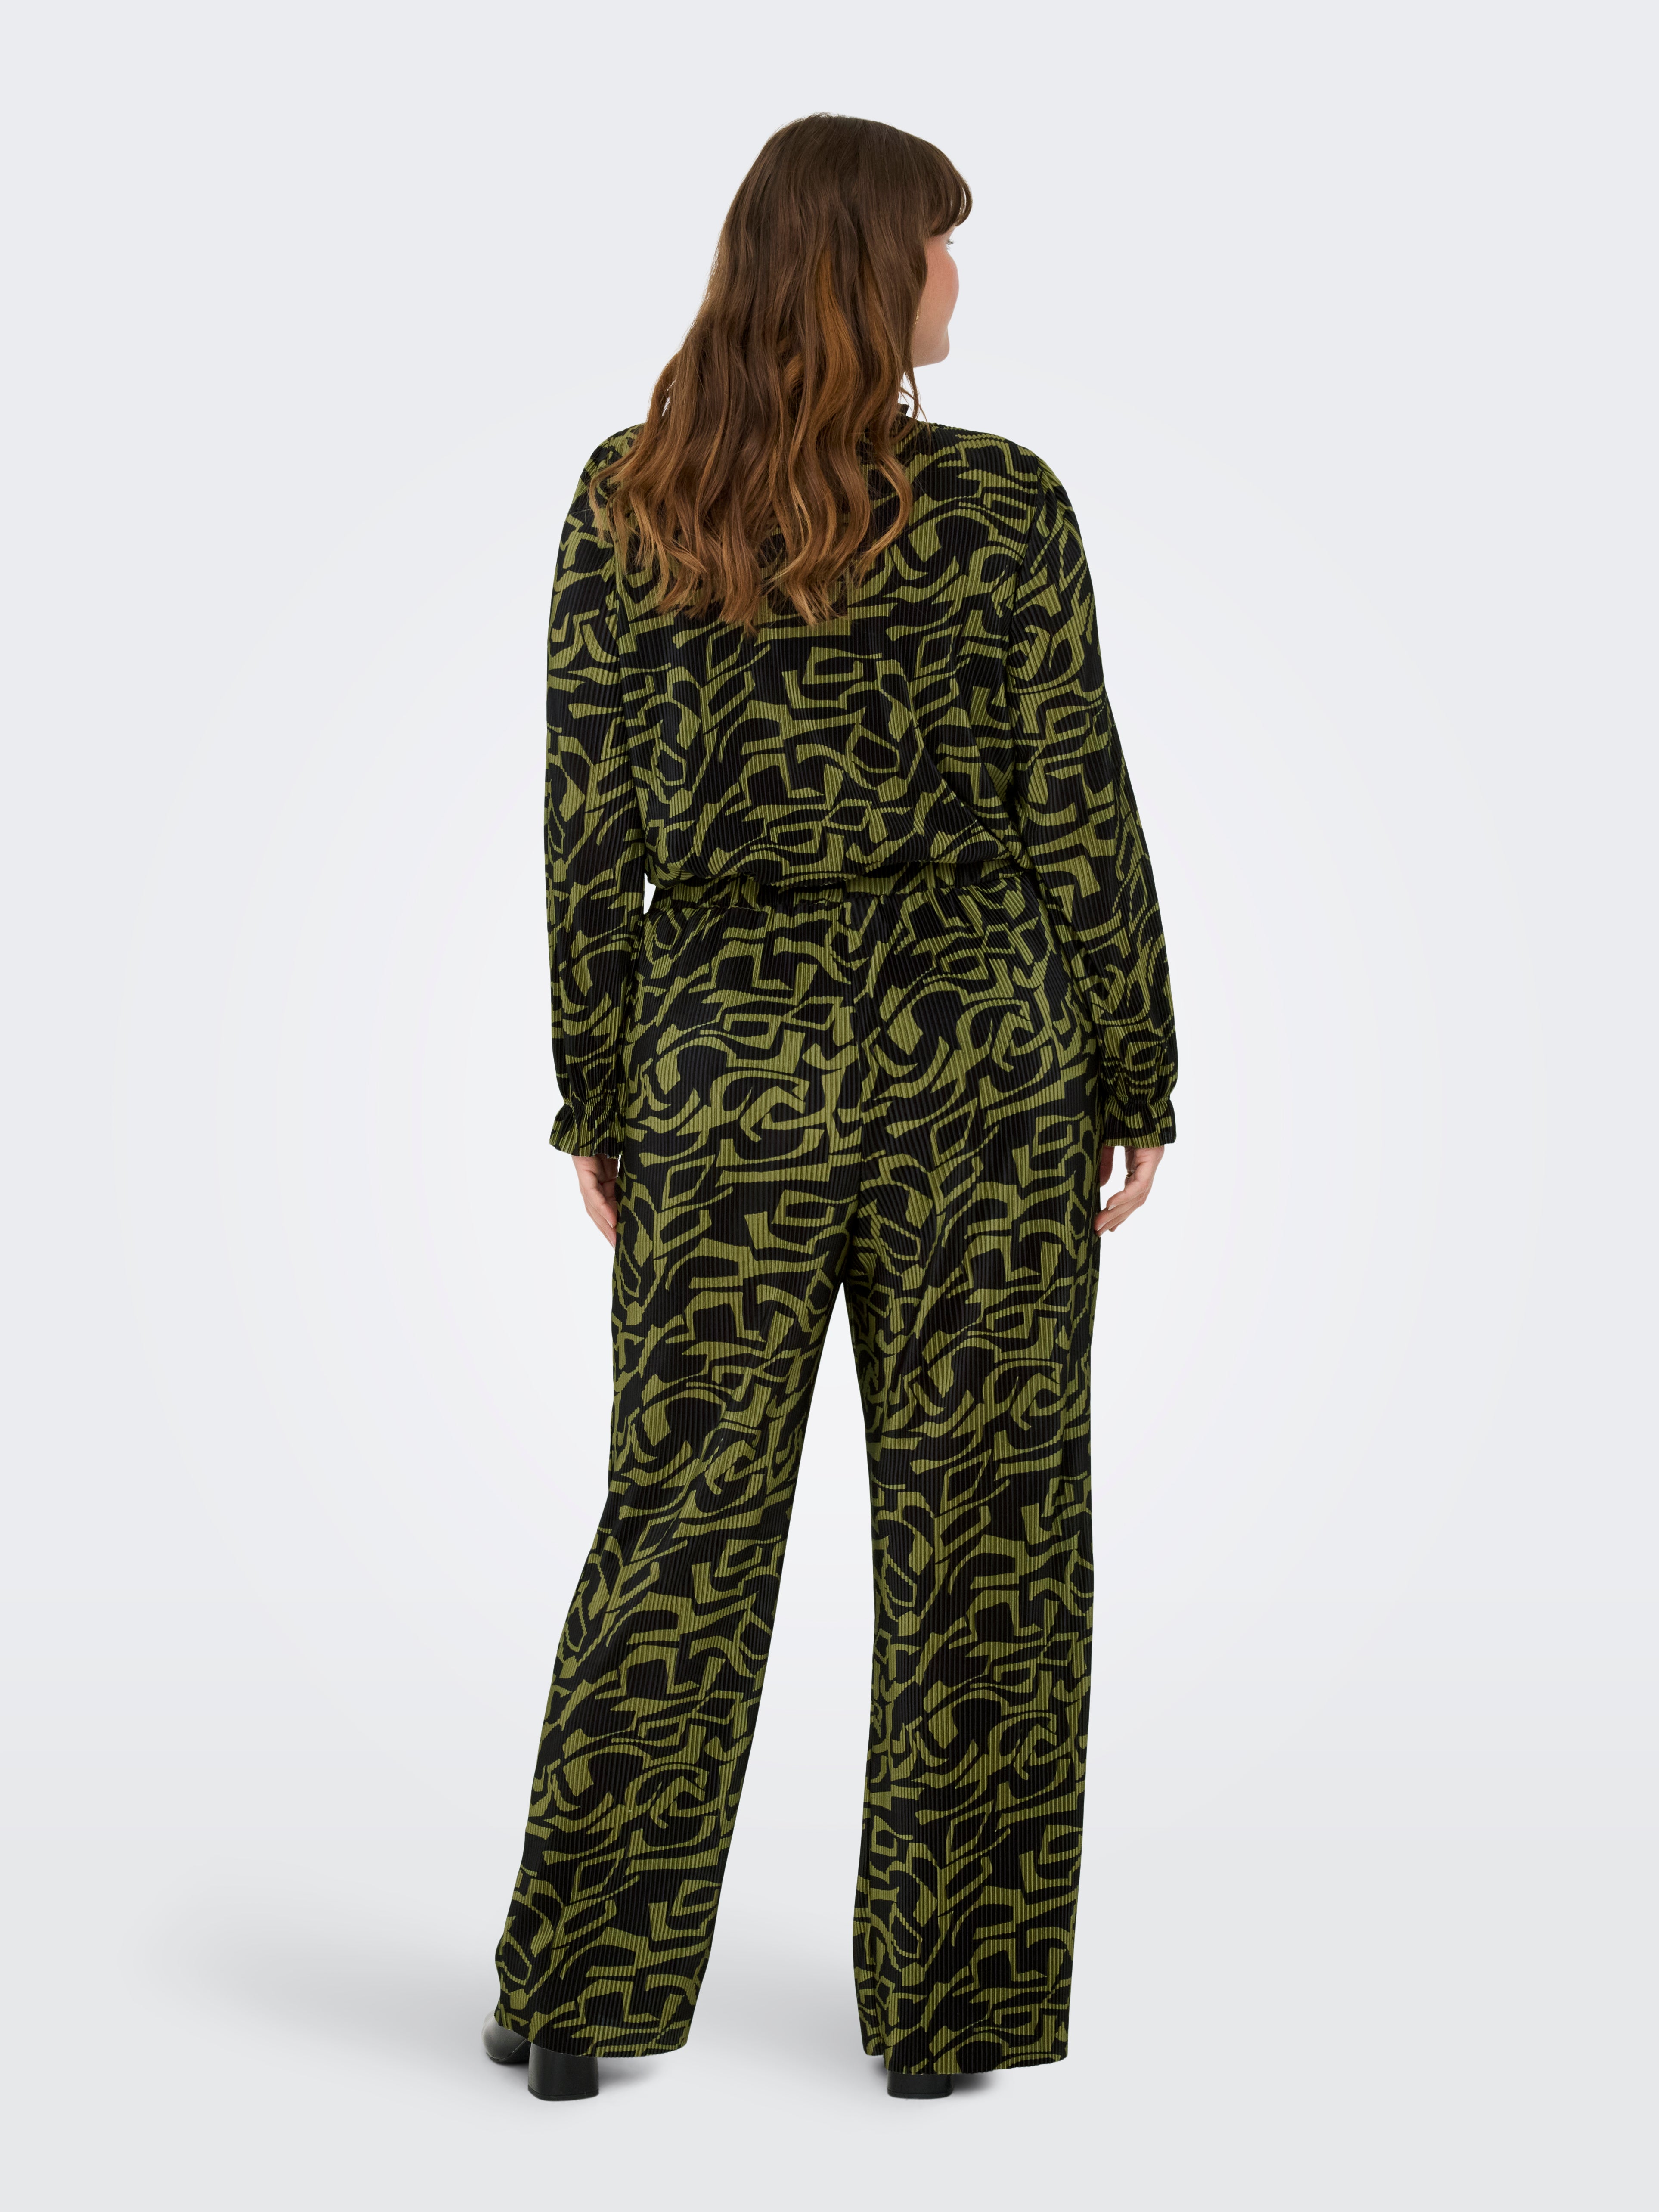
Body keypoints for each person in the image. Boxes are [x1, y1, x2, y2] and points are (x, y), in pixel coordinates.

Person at [482, 112, 1178, 2104]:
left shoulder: (629, 497)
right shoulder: (1003, 506)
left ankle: (576, 1993)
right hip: (981, 1067)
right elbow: (1075, 807)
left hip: (727, 1070)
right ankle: (951, 2015)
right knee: (989, 1533)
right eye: (941, 245)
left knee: (679, 1520)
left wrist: (600, 1089)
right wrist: (1134, 1062)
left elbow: (583, 825)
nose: (960, 278)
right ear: (878, 272)